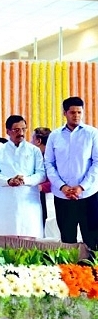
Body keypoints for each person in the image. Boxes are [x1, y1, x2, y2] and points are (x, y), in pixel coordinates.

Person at [45, 97, 98, 249]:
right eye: (72, 112)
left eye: (79, 112)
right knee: (67, 239)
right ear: (65, 113)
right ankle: (69, 271)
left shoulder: (92, 133)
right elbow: (49, 163)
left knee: (93, 239)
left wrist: (82, 187)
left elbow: (96, 162)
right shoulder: (55, 136)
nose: (76, 116)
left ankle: (93, 271)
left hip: (88, 194)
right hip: (63, 195)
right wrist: (63, 187)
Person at [0, 115, 46, 239]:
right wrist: (8, 181)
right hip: (6, 200)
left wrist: (24, 180)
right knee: (6, 238)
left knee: (29, 237)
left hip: (28, 199)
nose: (21, 133)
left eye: (23, 129)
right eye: (16, 130)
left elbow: (41, 174)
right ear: (8, 131)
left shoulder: (34, 150)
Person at [32, 127, 52, 226]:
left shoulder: (51, 158)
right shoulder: (37, 157)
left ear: (38, 141)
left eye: (32, 139)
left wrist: (40, 187)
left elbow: (55, 180)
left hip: (48, 198)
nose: (30, 142)